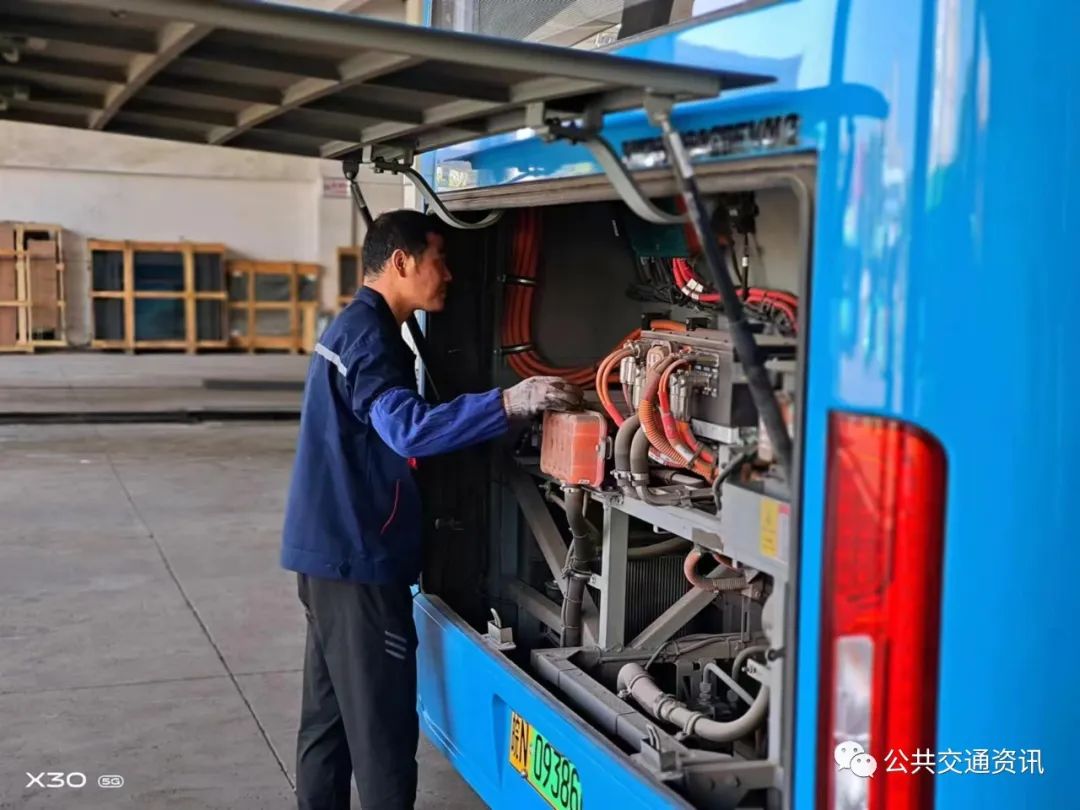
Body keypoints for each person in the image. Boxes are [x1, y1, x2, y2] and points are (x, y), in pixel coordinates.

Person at [281, 209, 582, 810]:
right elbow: (408, 430)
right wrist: (509, 402)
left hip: (326, 558)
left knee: (329, 724)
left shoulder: (354, 328)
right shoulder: (370, 339)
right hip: (360, 565)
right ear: (402, 262)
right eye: (440, 261)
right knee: (384, 735)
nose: (448, 276)